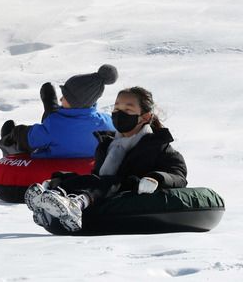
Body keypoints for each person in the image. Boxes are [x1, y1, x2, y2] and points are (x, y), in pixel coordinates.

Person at [24, 86, 188, 232]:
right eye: (116, 109)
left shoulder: (158, 146)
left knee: (109, 182)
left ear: (144, 117)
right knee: (74, 177)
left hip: (130, 192)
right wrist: (61, 180)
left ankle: (76, 204)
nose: (119, 114)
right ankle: (51, 198)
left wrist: (156, 178)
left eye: (128, 110)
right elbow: (95, 179)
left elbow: (178, 174)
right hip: (105, 191)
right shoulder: (107, 145)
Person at [0, 64, 118, 158]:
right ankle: (51, 106)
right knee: (55, 119)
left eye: (64, 97)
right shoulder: (108, 123)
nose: (62, 98)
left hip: (52, 169)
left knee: (25, 137)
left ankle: (6, 143)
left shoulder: (54, 126)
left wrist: (16, 133)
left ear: (74, 101)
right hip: (87, 168)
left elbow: (31, 138)